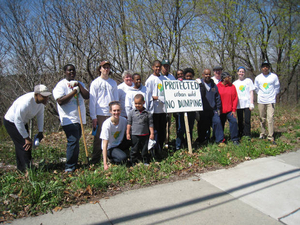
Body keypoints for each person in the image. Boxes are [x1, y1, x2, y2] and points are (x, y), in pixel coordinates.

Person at [3, 84, 51, 172]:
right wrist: (26, 137)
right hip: (12, 122)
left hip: (22, 122)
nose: (46, 99)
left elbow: (40, 116)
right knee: (25, 145)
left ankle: (21, 169)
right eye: (44, 96)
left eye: (47, 96)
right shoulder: (25, 103)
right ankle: (27, 171)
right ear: (36, 95)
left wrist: (40, 131)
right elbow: (17, 120)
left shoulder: (40, 103)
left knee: (23, 145)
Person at [53, 64, 89, 172]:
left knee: (75, 142)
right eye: (69, 71)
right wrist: (74, 92)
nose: (72, 72)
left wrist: (79, 86)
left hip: (79, 119)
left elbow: (87, 96)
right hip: (68, 119)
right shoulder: (61, 85)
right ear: (65, 72)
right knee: (73, 141)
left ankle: (74, 163)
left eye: (73, 70)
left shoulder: (79, 83)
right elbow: (60, 101)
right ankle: (69, 167)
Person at [89, 60, 119, 165]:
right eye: (104, 67)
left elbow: (116, 99)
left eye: (108, 67)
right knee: (99, 137)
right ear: (100, 69)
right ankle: (95, 160)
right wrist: (93, 117)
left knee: (111, 136)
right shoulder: (95, 83)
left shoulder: (113, 83)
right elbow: (92, 101)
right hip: (100, 113)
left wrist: (115, 113)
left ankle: (110, 158)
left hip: (111, 113)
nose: (106, 69)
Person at [196, 69, 224, 145]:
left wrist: (218, 108)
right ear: (203, 75)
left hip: (213, 109)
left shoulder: (214, 85)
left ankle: (220, 140)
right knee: (202, 126)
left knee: (217, 123)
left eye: (209, 74)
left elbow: (217, 97)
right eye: (206, 74)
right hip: (203, 110)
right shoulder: (199, 84)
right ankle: (202, 140)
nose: (207, 76)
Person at [254, 61, 280, 144]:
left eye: (266, 66)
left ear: (269, 68)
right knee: (262, 118)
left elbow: (277, 87)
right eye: (263, 67)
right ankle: (262, 133)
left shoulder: (273, 76)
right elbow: (256, 88)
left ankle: (270, 136)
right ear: (261, 68)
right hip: (261, 100)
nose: (265, 68)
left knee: (270, 118)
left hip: (271, 100)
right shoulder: (258, 77)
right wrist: (261, 94)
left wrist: (272, 95)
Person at [145, 60, 166, 158]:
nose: (158, 69)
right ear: (153, 67)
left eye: (159, 67)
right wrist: (156, 97)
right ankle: (154, 152)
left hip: (163, 110)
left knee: (162, 131)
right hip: (154, 111)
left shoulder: (163, 79)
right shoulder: (150, 80)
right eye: (156, 67)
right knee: (155, 132)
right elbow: (148, 96)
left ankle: (160, 149)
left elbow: (165, 91)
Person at [126, 94, 154, 165]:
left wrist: (152, 133)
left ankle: (145, 161)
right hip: (135, 134)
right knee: (134, 149)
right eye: (136, 103)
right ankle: (133, 161)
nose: (137, 105)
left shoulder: (147, 113)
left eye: (139, 103)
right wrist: (128, 133)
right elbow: (129, 123)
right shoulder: (132, 113)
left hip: (145, 134)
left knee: (144, 149)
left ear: (143, 102)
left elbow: (150, 124)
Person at [101, 101, 128, 170]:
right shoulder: (106, 124)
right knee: (123, 158)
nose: (116, 113)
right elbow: (105, 144)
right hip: (110, 147)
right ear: (110, 111)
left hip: (120, 143)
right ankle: (112, 159)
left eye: (118, 110)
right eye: (114, 111)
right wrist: (105, 163)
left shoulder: (124, 120)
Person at [175, 68, 196, 150]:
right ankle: (178, 146)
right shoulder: (180, 83)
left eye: (190, 76)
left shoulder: (195, 84)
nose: (188, 78)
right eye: (187, 76)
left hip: (192, 110)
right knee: (181, 129)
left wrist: (200, 84)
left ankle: (189, 144)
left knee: (190, 128)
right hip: (181, 111)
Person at [217, 72, 240, 145]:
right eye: (228, 77)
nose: (229, 78)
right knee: (220, 124)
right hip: (221, 111)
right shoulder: (218, 86)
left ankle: (235, 139)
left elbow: (235, 98)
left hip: (230, 110)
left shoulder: (232, 86)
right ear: (223, 78)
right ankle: (220, 139)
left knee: (233, 122)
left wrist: (234, 110)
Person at [233, 66, 255, 138]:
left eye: (242, 72)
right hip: (239, 104)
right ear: (237, 73)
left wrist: (251, 103)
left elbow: (251, 92)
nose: (241, 73)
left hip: (247, 104)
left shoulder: (248, 81)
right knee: (240, 120)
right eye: (240, 72)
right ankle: (240, 133)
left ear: (244, 73)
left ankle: (247, 134)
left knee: (247, 120)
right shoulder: (235, 83)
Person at [160, 59, 176, 148]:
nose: (166, 68)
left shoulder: (171, 77)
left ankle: (167, 141)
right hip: (159, 106)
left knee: (168, 124)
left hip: (169, 105)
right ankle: (160, 142)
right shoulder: (159, 77)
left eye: (167, 66)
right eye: (164, 66)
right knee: (161, 125)